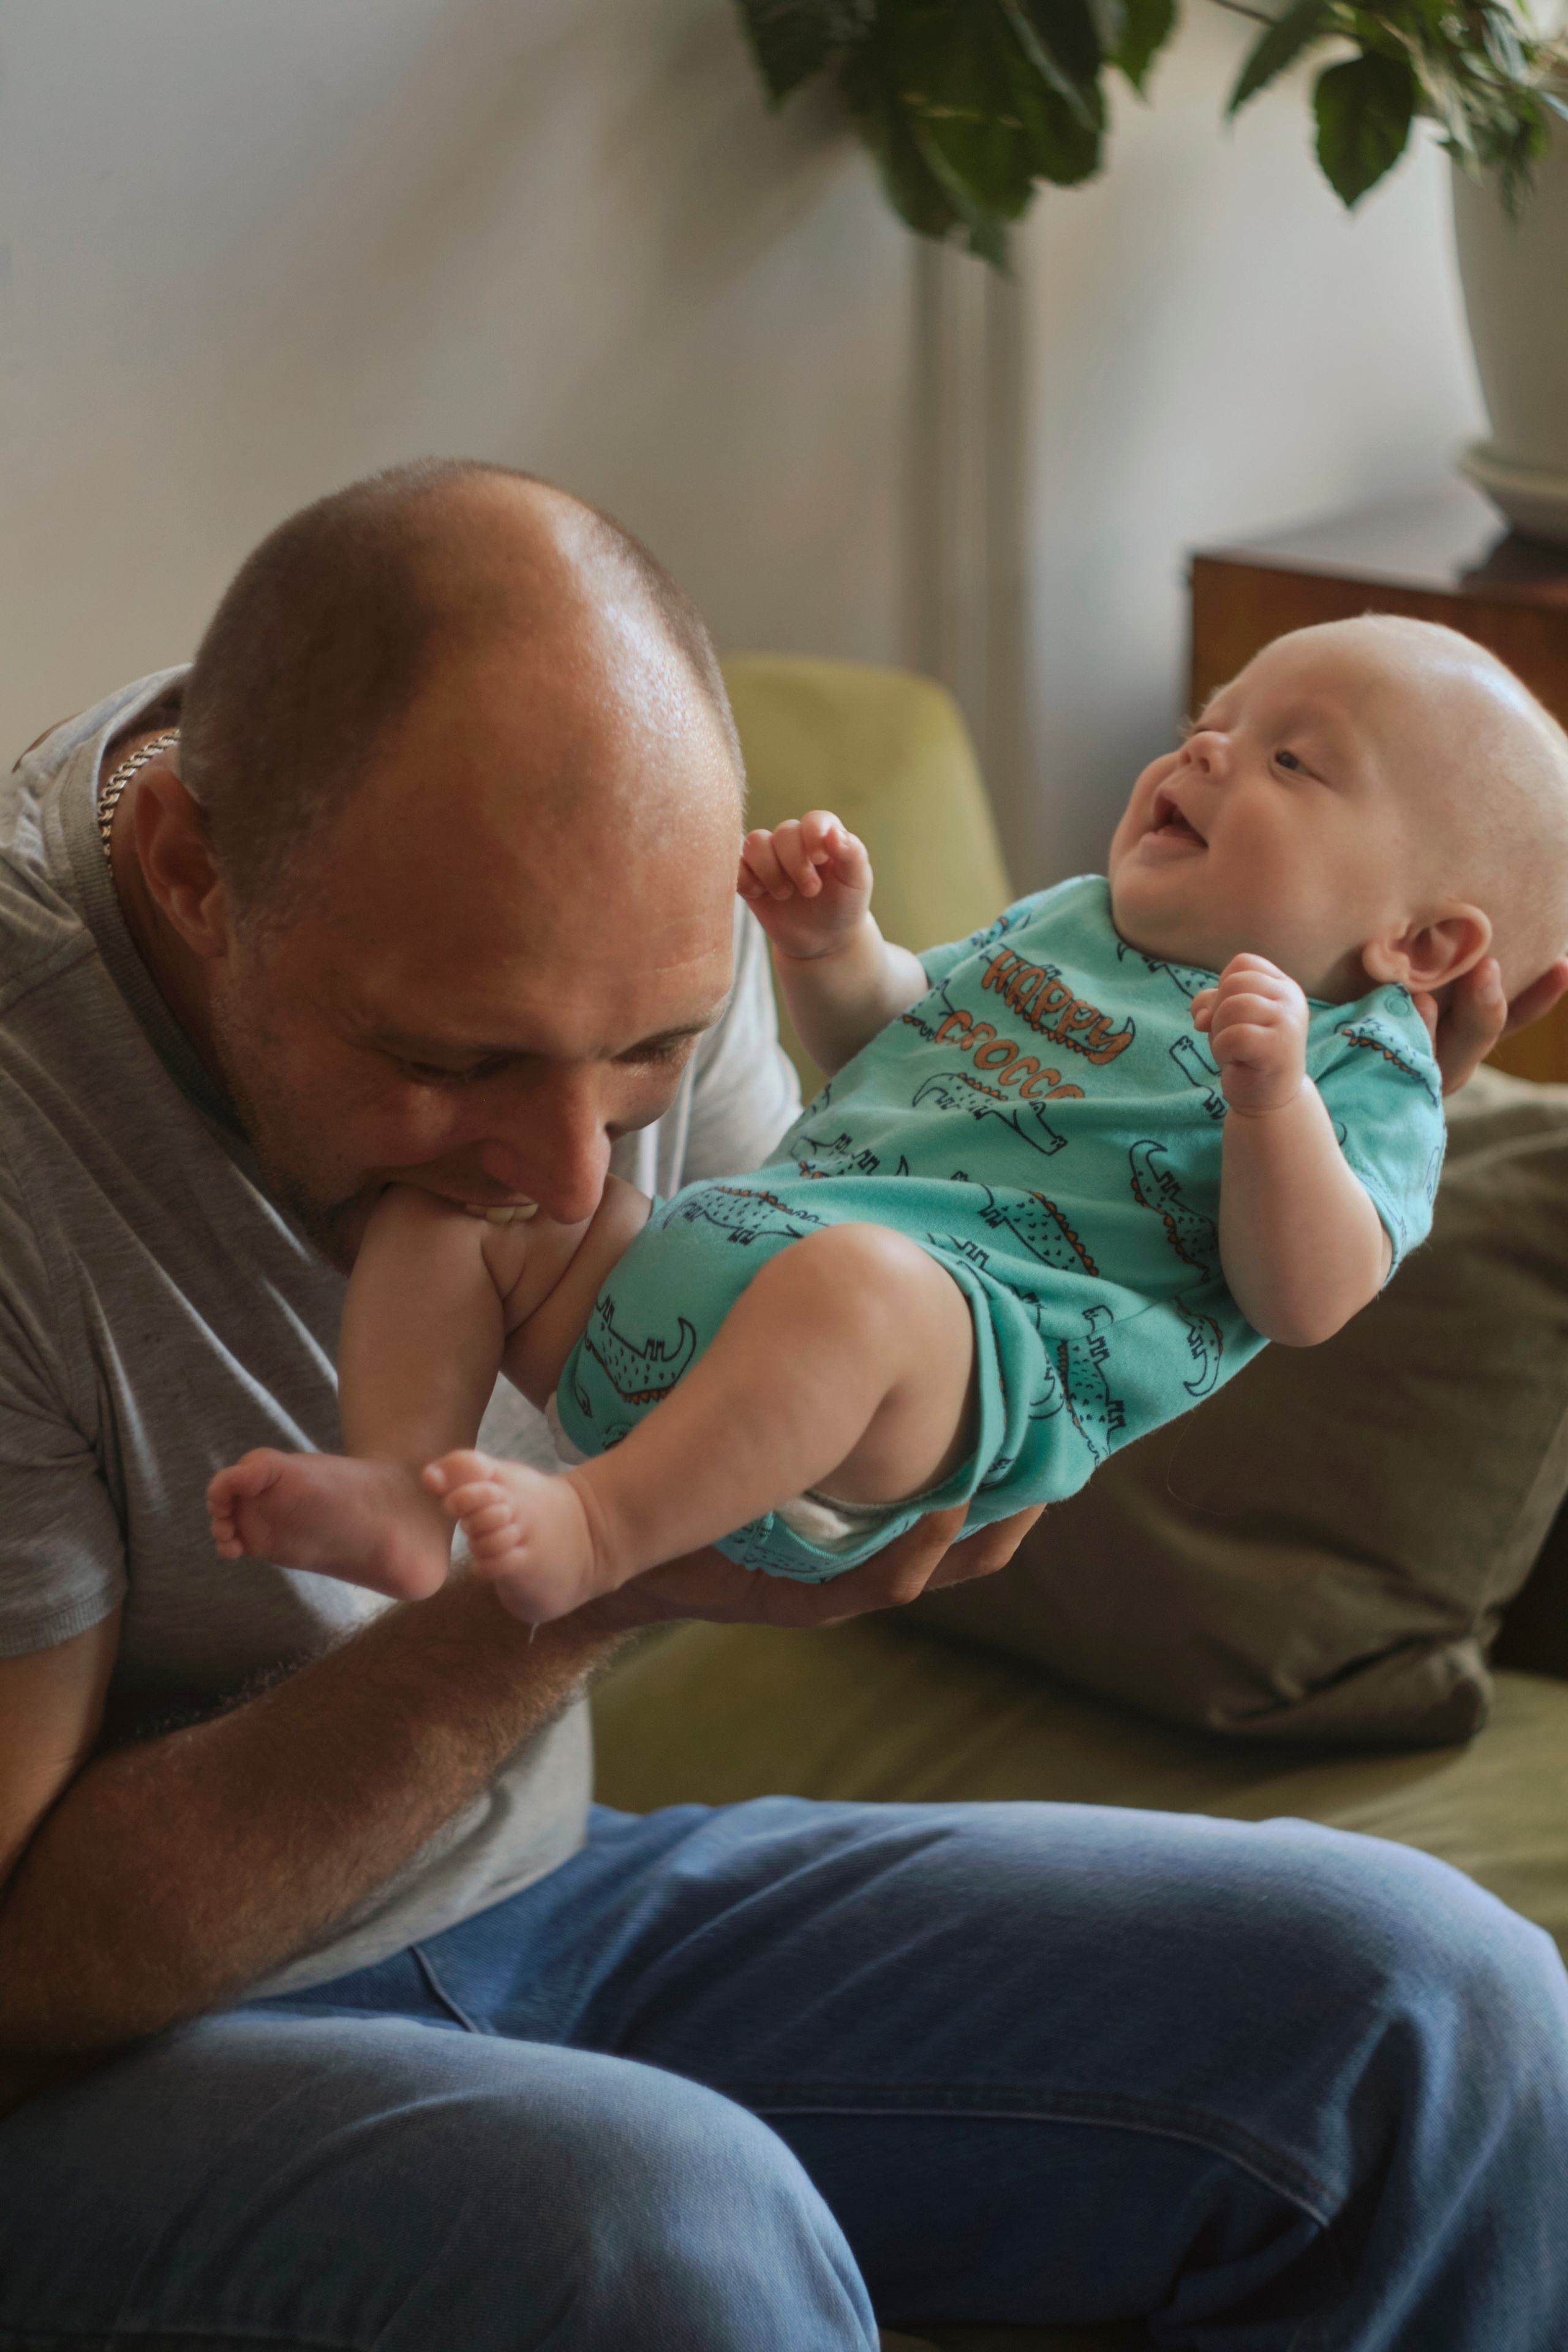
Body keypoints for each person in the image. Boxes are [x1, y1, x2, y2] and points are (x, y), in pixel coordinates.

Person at [3, 460, 1568, 2351]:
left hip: (539, 1887)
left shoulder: (627, 906)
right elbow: (25, 1976)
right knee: (661, 2225)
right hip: (112, 2066)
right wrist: (573, 1591)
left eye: (652, 1053)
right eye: (455, 1060)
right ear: (188, 865)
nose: (573, 1167)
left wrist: (1336, 1074)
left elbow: (871, 1299)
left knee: (1440, 2011)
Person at [208, 616, 1568, 1627]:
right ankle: (396, 1490)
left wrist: (1270, 1102)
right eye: (1213, 716)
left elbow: (1306, 1296)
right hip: (695, 1286)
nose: (1205, 748)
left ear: (1423, 940)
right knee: (467, 1205)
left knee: (859, 1290)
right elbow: (898, 1046)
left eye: (1290, 758)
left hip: (909, 1400)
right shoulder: (1076, 921)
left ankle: (595, 1527)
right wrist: (830, 948)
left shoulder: (1361, 1070)